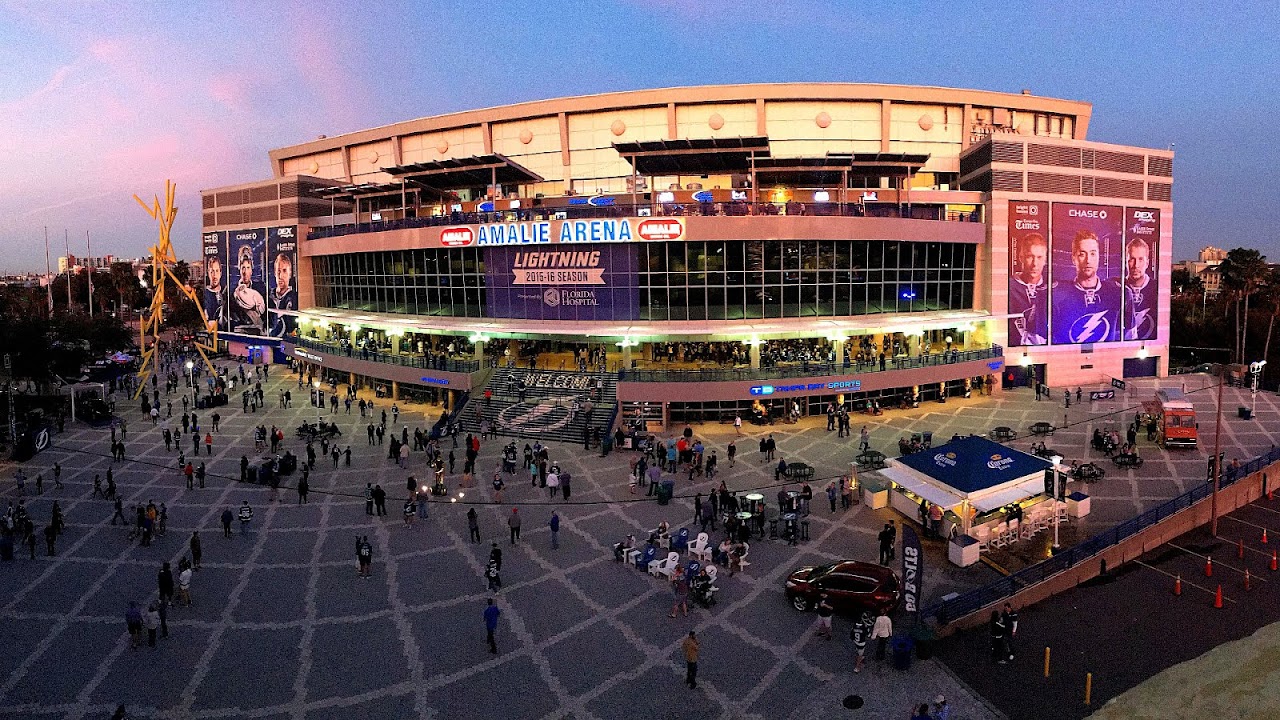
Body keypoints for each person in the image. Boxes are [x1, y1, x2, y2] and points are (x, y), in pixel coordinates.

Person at [1051, 229, 1124, 344]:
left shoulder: (1116, 293)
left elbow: (1131, 340)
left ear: (1099, 256)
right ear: (1073, 258)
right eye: (1082, 254)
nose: (1088, 260)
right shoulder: (1056, 295)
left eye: (1093, 254)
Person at [1009, 231, 1049, 345]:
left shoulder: (1053, 287)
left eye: (1039, 257)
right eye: (1030, 257)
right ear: (1021, 257)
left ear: (1045, 260)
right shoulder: (1009, 287)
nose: (1035, 263)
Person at [1123, 237, 1158, 340]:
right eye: (1131, 259)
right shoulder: (1115, 287)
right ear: (1126, 262)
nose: (1136, 265)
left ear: (1147, 263)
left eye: (1140, 259)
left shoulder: (1156, 288)